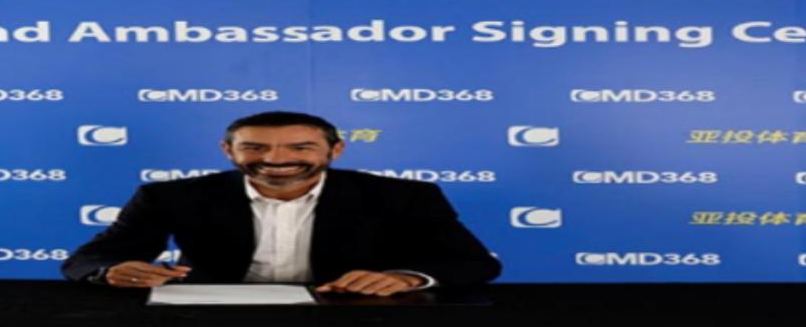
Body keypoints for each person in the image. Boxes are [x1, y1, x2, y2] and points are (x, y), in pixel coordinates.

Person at [62, 111, 500, 296]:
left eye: (300, 148)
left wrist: (406, 278)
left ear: (336, 150)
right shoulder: (171, 195)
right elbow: (88, 258)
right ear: (228, 151)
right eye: (254, 147)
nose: (275, 159)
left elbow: (474, 263)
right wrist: (111, 270)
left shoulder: (403, 196)